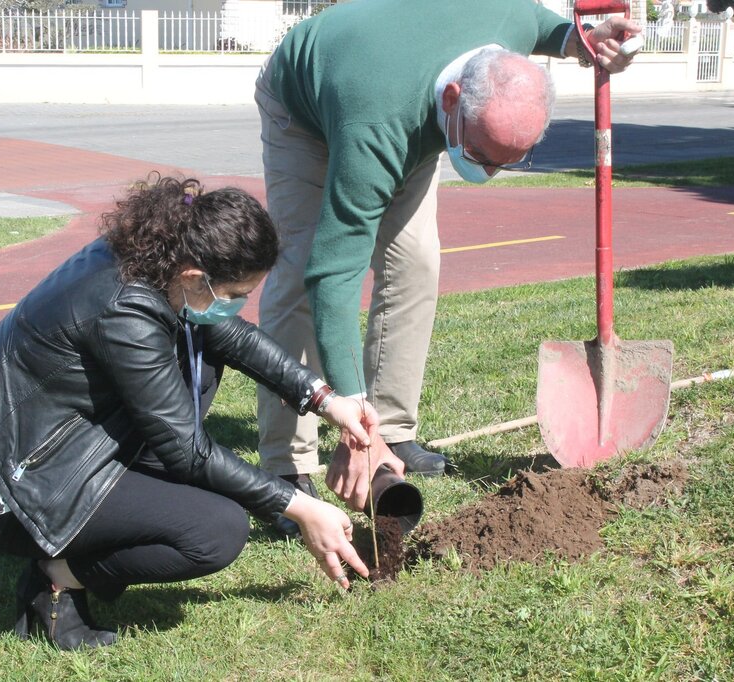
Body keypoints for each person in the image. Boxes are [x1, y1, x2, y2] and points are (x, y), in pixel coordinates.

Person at [0, 175, 378, 650]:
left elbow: (230, 335)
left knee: (199, 375)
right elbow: (186, 450)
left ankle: (72, 556)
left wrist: (326, 400)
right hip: (18, 482)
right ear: (193, 276)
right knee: (216, 532)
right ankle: (55, 575)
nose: (238, 305)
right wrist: (301, 507)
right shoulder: (125, 309)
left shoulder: (157, 256)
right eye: (234, 293)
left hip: (57, 441)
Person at [254, 0, 642, 530]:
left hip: (415, 110)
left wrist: (584, 40)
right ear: (456, 97)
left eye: (508, 161)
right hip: (307, 104)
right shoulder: (377, 122)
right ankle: (286, 467)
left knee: (415, 262)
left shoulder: (505, 19)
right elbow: (334, 271)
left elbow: (546, 29)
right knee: (301, 271)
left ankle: (392, 430)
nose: (488, 171)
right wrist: (349, 413)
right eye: (482, 154)